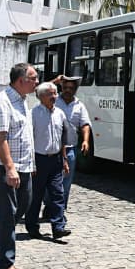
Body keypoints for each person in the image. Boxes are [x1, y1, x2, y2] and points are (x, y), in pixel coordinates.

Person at [0, 63, 38, 269]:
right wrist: (10, 168)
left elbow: (24, 136)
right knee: (6, 213)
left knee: (23, 205)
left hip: (23, 165)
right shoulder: (2, 102)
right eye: (33, 78)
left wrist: (29, 165)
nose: (37, 82)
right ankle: (4, 262)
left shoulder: (23, 101)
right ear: (21, 80)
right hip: (6, 166)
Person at [25, 82, 72, 240]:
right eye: (51, 94)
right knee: (36, 196)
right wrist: (30, 162)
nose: (55, 96)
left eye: (55, 93)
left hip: (56, 159)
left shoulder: (60, 113)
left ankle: (58, 227)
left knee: (58, 194)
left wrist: (64, 159)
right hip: (39, 159)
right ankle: (32, 227)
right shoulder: (33, 114)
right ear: (41, 96)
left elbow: (63, 138)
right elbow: (29, 140)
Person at [50, 75, 91, 229]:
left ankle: (59, 211)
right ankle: (51, 206)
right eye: (65, 87)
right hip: (53, 149)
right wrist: (55, 80)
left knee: (66, 183)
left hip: (70, 149)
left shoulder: (79, 105)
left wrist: (86, 140)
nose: (67, 90)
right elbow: (38, 90)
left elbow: (85, 124)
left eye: (71, 88)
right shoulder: (53, 100)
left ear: (75, 90)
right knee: (50, 183)